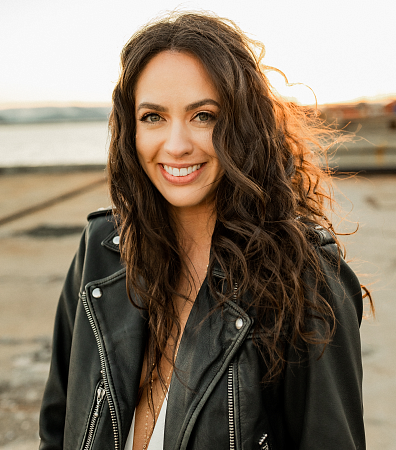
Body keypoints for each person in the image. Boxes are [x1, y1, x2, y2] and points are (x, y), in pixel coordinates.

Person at [38, 11, 372, 450]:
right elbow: (57, 429)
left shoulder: (306, 278)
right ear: (129, 129)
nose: (176, 145)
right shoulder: (102, 250)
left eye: (203, 115)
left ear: (244, 125)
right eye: (153, 117)